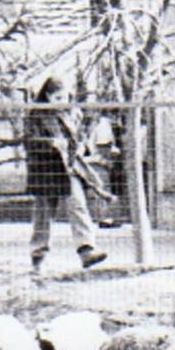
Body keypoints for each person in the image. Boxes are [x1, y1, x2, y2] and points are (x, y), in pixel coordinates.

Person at [24, 77, 108, 273]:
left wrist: (81, 147)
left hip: (68, 168)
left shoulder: (73, 113)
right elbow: (28, 141)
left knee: (77, 205)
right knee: (43, 216)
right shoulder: (35, 116)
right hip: (45, 168)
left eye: (65, 96)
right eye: (58, 97)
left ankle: (86, 250)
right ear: (47, 96)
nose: (63, 100)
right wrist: (49, 143)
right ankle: (38, 257)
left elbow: (80, 137)